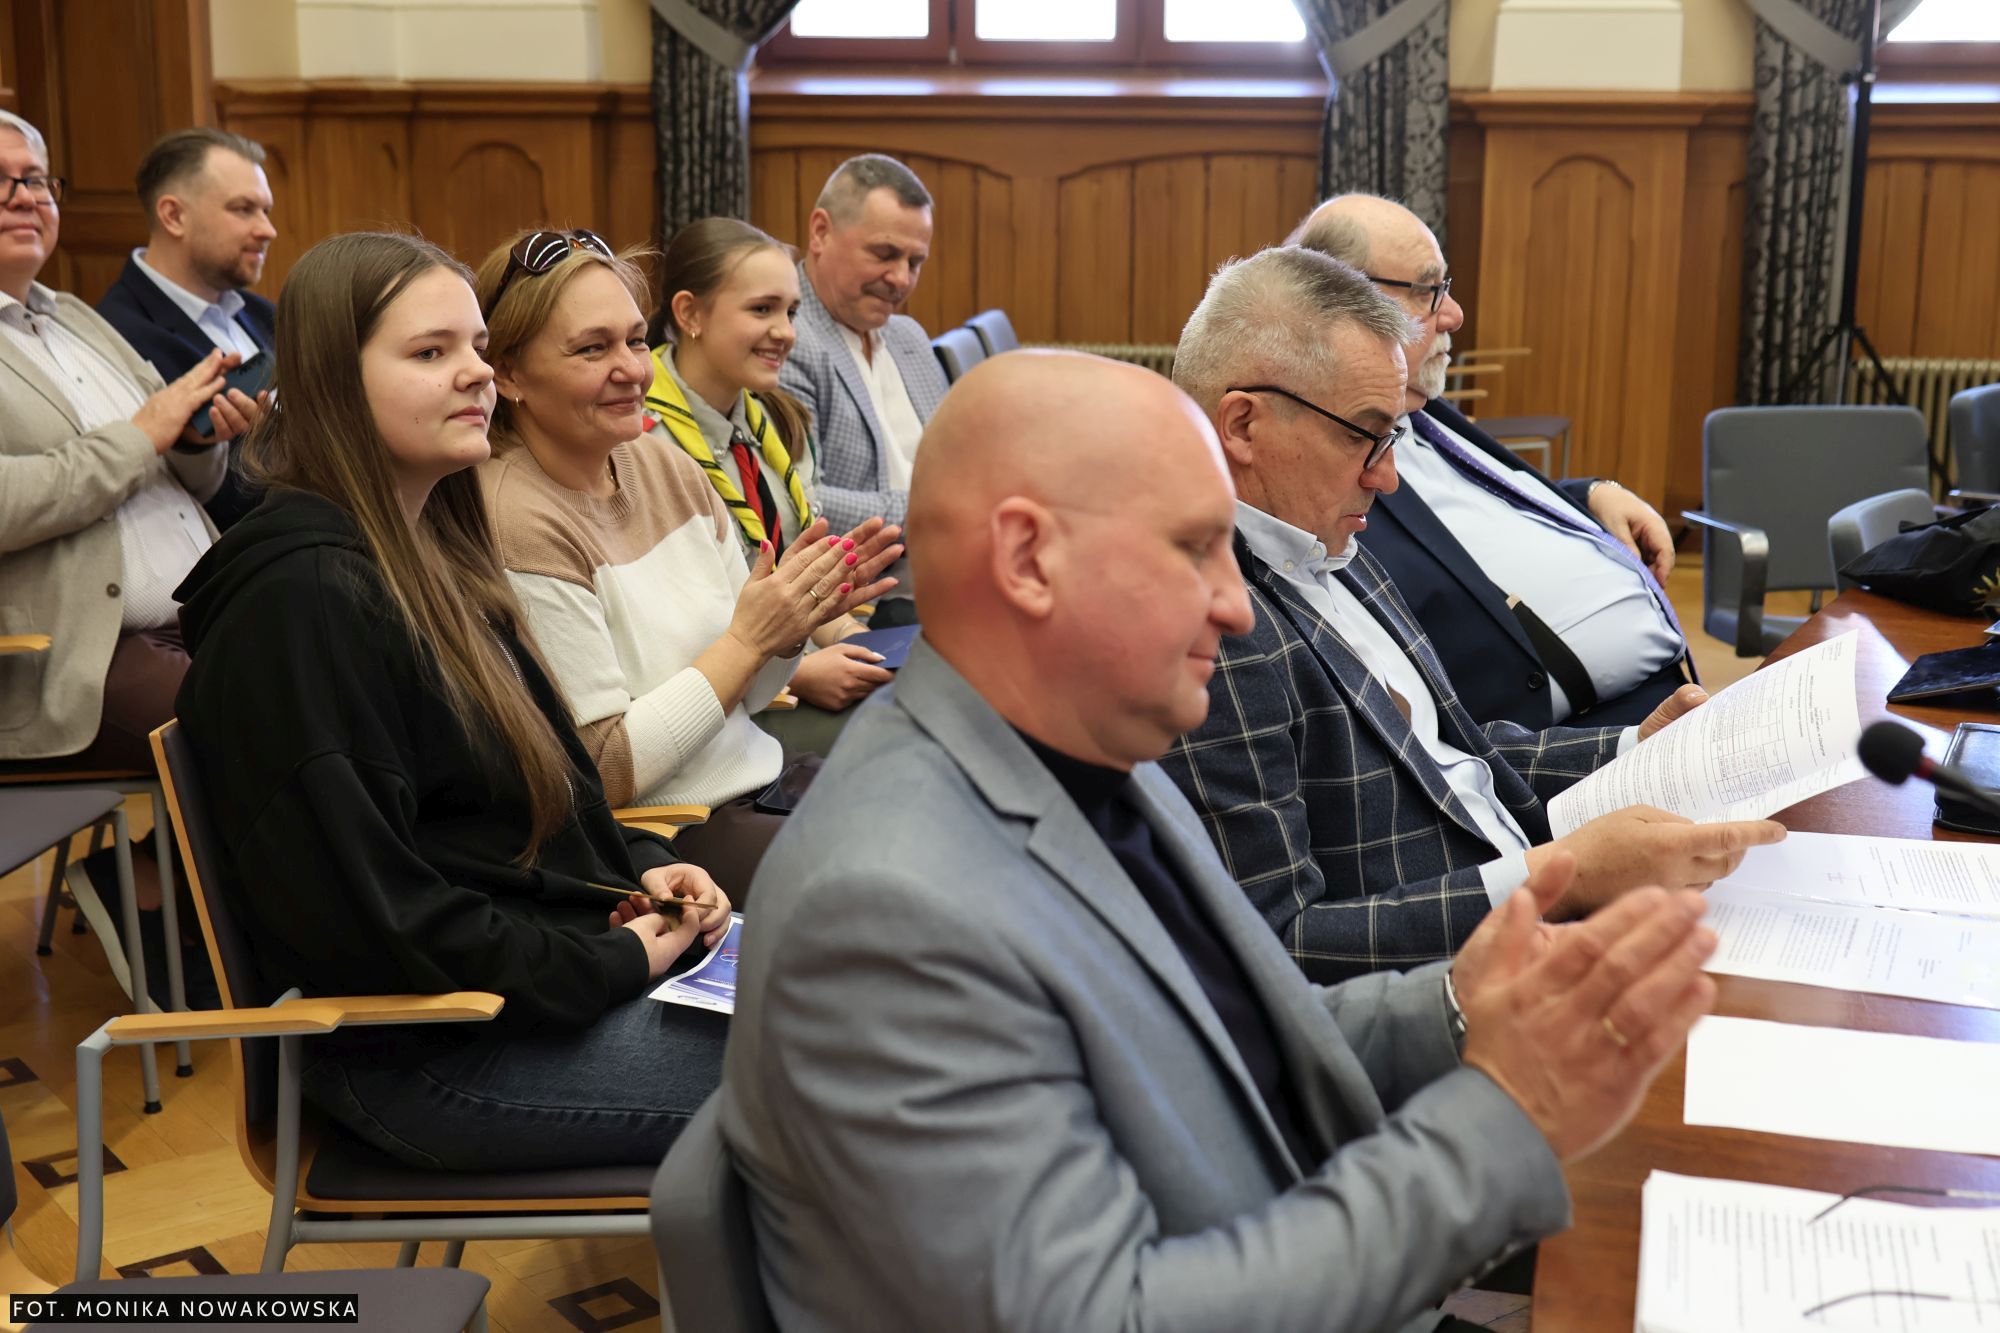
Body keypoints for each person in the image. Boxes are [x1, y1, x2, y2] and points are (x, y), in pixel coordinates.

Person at [720, 349, 1722, 1333]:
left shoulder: (1088, 755)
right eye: (1194, 548)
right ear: (1028, 561)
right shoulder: (891, 908)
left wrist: (1461, 1005)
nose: (1237, 603)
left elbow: (1232, 1045)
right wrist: (1503, 1113)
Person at [173, 230, 734, 1172]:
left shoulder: (436, 554)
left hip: (518, 993)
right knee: (849, 1081)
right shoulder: (304, 602)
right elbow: (373, 922)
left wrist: (644, 868)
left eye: (476, 345)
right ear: (332, 383)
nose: (477, 372)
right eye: (431, 353)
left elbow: (529, 807)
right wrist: (613, 960)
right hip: (431, 1051)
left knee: (862, 1020)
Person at [1160, 247, 1782, 983]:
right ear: (1243, 425)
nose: (1388, 477)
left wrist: (1633, 748)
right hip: (1468, 986)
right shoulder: (1210, 626)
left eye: (1393, 437)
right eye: (1363, 434)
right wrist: (1559, 880)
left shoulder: (1329, 539)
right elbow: (1279, 946)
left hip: (1539, 908)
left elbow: (1453, 758)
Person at [473, 228, 900, 898]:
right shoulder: (516, 519)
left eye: (634, 341)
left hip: (761, 780)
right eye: (592, 348)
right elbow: (606, 768)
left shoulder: (662, 463)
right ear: (507, 374)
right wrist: (748, 640)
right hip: (668, 837)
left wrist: (790, 624)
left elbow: (750, 694)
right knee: (906, 875)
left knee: (947, 807)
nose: (632, 369)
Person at [1288, 195, 1693, 729]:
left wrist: (1592, 495)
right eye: (1428, 291)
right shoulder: (1329, 469)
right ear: (1342, 301)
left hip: (1671, 688)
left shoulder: (1426, 411)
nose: (1454, 314)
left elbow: (1481, 505)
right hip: (1573, 742)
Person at [0, 109, 240, 939]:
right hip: (79, 650)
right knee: (262, 722)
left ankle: (159, 877)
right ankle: (160, 894)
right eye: (1, 182)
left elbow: (176, 466)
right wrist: (142, 436)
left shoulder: (74, 316)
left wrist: (199, 439)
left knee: (343, 686)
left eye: (36, 179)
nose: (24, 196)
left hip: (203, 611)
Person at [645, 217, 896, 753]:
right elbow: (661, 631)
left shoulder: (780, 421)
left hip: (785, 665)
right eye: (762, 309)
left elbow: (795, 576)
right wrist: (800, 674)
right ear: (689, 313)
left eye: (791, 311)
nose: (786, 332)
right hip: (715, 713)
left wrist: (849, 637)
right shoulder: (642, 443)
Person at [778, 154, 947, 628]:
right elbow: (799, 501)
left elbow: (957, 459)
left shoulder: (909, 336)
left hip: (942, 567)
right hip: (864, 597)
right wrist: (929, 513)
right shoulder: (786, 340)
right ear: (820, 233)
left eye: (915, 262)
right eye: (884, 254)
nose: (901, 279)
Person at [97, 127, 277, 530]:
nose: (267, 230)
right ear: (174, 216)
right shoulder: (116, 336)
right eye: (244, 209)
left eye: (266, 211)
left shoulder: (266, 314)